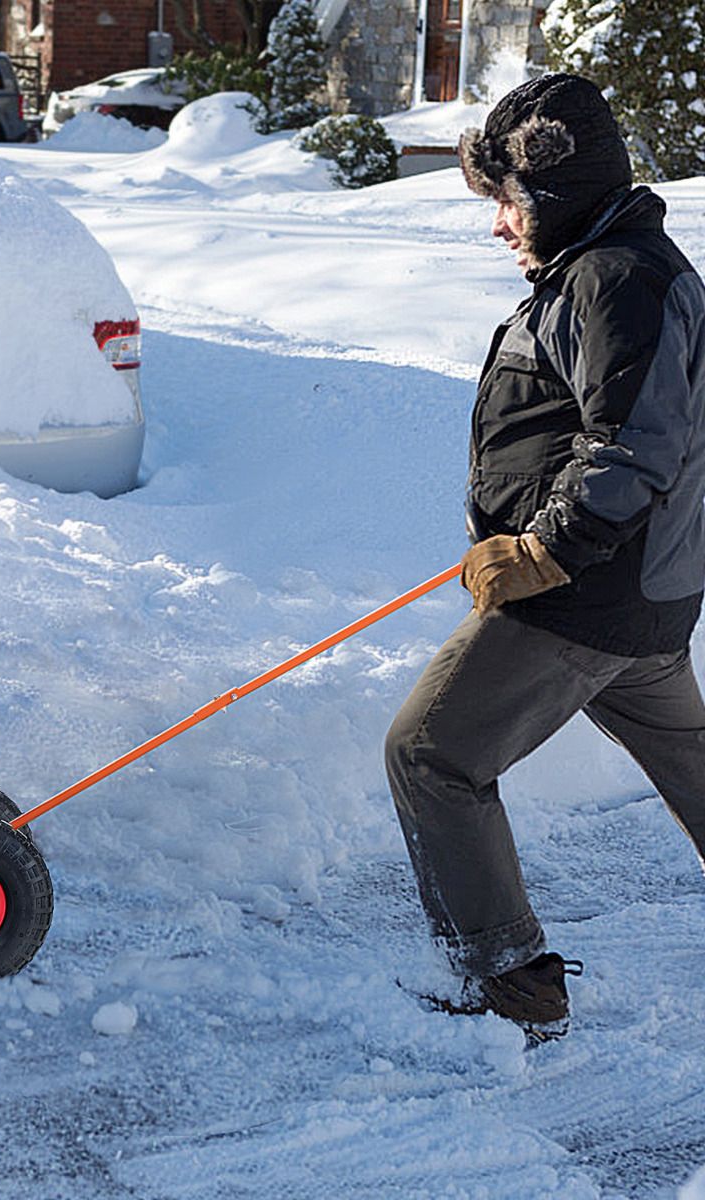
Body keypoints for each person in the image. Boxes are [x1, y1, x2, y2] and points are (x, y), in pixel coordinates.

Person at [385, 73, 705, 1035]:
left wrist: (540, 553)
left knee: (431, 753)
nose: (499, 228)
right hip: (640, 594)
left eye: (508, 203)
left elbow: (631, 445)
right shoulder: (613, 268)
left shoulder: (614, 280)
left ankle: (509, 981)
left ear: (553, 194)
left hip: (580, 599)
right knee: (693, 763)